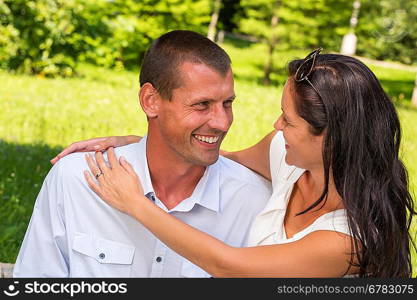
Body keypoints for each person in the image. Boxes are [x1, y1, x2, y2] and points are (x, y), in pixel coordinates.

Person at [54, 49, 417, 277]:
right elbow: (218, 154)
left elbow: (229, 267)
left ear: (330, 139)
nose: (277, 126)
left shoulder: (347, 240)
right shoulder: (285, 154)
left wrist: (135, 203)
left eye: (288, 121)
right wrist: (145, 141)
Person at [12, 30, 272, 278]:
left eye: (227, 103)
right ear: (151, 101)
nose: (222, 123)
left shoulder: (253, 202)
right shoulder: (76, 179)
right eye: (202, 104)